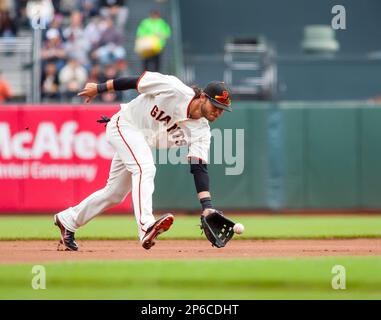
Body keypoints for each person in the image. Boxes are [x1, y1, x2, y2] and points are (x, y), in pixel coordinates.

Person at [53, 71, 232, 251]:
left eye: (222, 109)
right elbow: (135, 81)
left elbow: (199, 167)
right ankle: (146, 226)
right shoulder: (175, 89)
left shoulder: (201, 131)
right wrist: (98, 88)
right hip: (125, 125)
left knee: (114, 194)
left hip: (140, 142)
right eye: (215, 105)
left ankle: (67, 220)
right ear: (202, 97)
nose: (217, 112)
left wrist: (207, 207)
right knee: (146, 168)